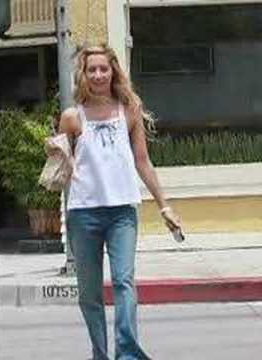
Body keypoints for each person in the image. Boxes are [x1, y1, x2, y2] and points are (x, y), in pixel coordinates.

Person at [59, 44, 182, 360]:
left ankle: (126, 353)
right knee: (89, 294)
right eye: (92, 70)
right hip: (83, 213)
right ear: (83, 75)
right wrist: (58, 158)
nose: (99, 75)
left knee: (124, 281)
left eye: (104, 68)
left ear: (113, 71)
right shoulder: (72, 118)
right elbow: (62, 169)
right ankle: (100, 354)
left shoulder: (129, 110)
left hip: (122, 211)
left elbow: (143, 161)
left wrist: (164, 204)